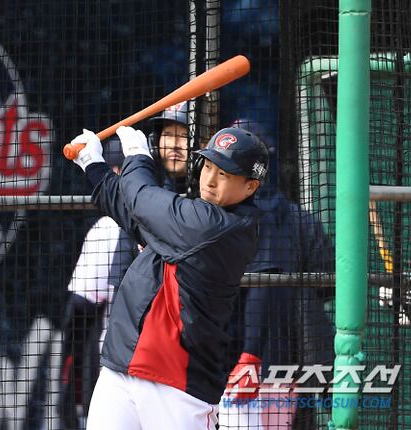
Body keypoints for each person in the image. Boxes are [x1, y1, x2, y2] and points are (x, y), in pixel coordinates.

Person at [69, 122, 269, 429]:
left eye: (224, 174)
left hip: (178, 384)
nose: (210, 180)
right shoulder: (189, 217)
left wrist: (138, 158)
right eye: (208, 167)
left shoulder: (223, 228)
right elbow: (132, 212)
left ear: (250, 187)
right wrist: (93, 165)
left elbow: (142, 198)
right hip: (121, 367)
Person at [219, 119, 335, 429]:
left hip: (234, 362)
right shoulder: (301, 218)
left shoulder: (221, 219)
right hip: (288, 365)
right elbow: (328, 286)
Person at [58, 137, 138, 428]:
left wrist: (71, 369)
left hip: (118, 363)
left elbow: (80, 308)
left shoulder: (109, 226)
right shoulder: (171, 211)